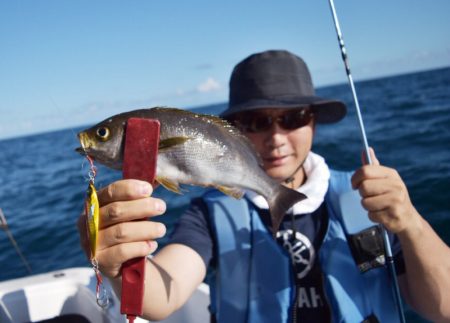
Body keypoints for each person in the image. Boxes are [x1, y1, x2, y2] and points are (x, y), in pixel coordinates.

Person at [77, 50, 450, 322]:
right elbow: (162, 298)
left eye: (292, 118)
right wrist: (119, 262)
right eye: (255, 121)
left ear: (314, 122)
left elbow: (443, 307)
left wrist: (411, 223)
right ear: (234, 131)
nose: (275, 137)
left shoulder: (368, 200)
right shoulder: (209, 212)